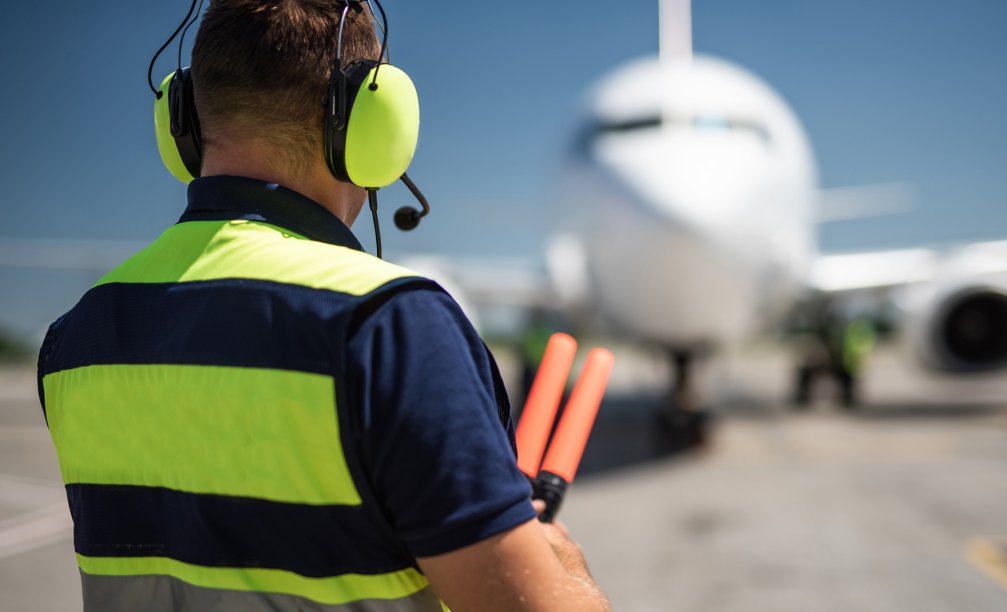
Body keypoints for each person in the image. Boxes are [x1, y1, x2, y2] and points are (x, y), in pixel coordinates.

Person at [36, 1, 610, 610]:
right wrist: (564, 564)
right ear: (371, 127)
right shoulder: (388, 329)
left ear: (181, 122)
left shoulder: (76, 341)